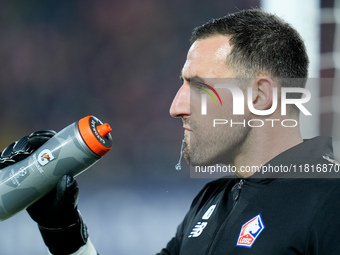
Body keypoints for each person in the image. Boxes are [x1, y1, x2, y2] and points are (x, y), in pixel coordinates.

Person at [1, 8, 340, 254]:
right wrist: (65, 233)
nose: (176, 107)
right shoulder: (211, 202)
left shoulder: (329, 199)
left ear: (260, 96)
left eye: (200, 88)